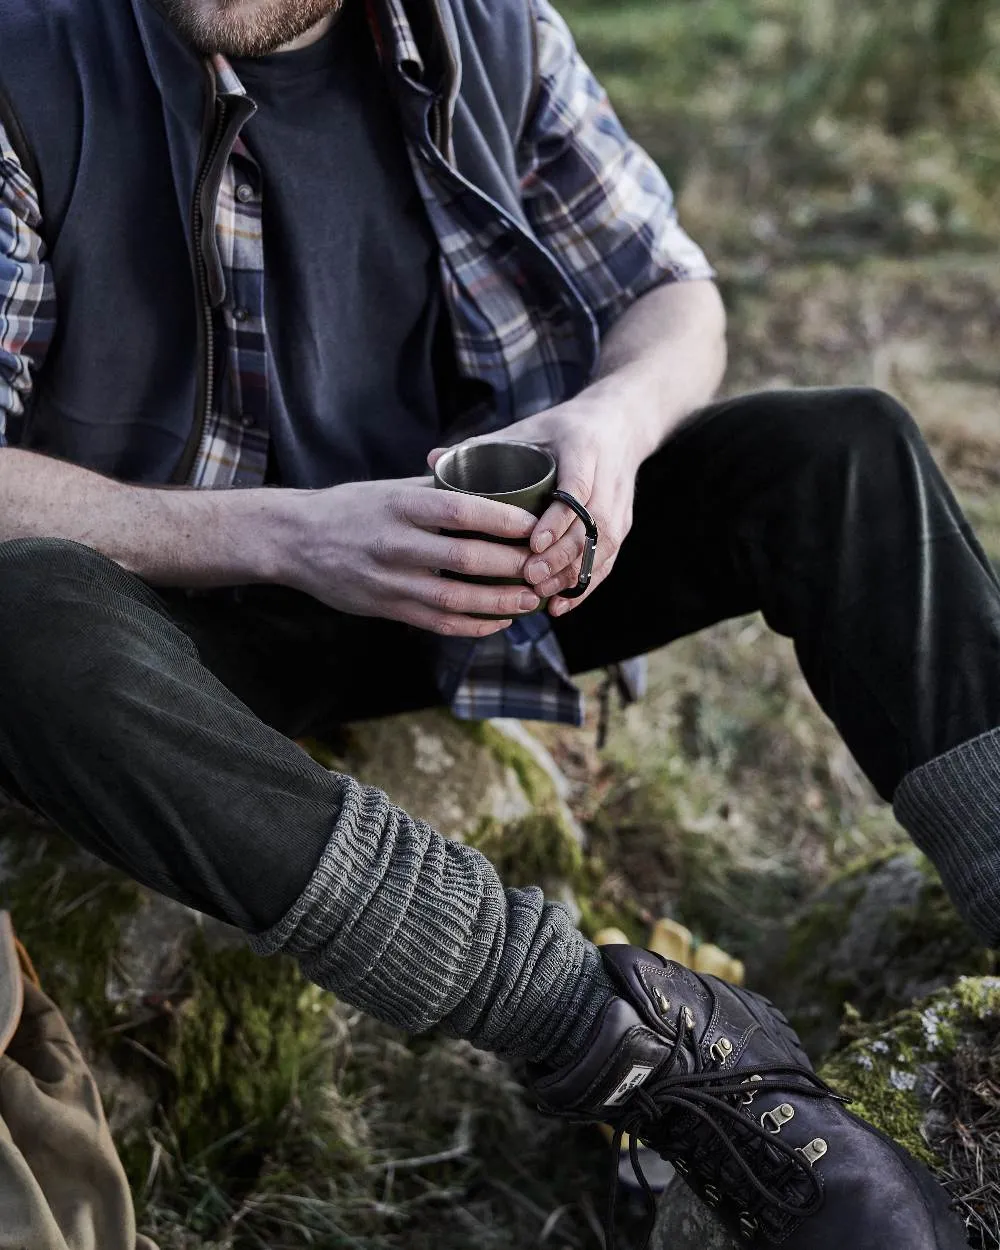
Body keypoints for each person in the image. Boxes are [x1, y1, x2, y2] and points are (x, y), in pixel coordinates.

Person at [0, 0, 991, 1244]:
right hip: (176, 626)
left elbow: (674, 297)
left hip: (471, 585)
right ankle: (654, 1056)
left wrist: (610, 427)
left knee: (844, 447)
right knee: (16, 615)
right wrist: (295, 531)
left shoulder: (497, 33)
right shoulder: (24, 66)